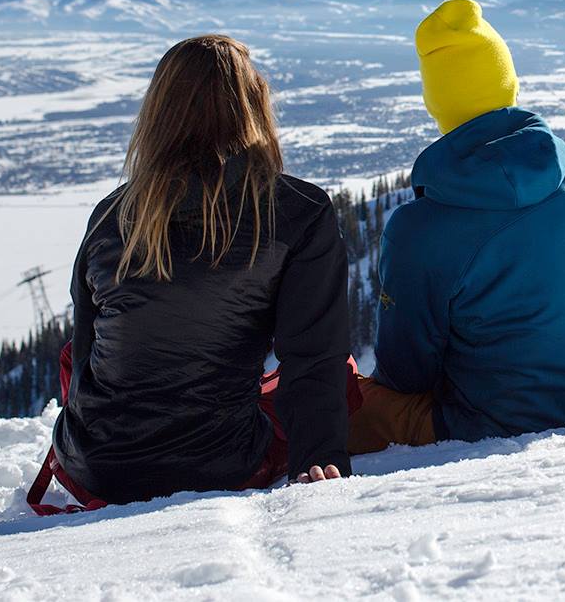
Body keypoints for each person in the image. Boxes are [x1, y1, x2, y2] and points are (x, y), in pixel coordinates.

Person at [38, 35, 354, 512]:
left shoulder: (112, 214)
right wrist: (319, 457)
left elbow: (84, 355)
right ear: (254, 104)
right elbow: (313, 354)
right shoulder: (296, 211)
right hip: (220, 463)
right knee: (339, 375)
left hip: (96, 466)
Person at [348, 0, 565, 452]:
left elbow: (405, 374)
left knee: (341, 401)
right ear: (508, 82)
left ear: (437, 102)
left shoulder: (419, 228)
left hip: (488, 431)